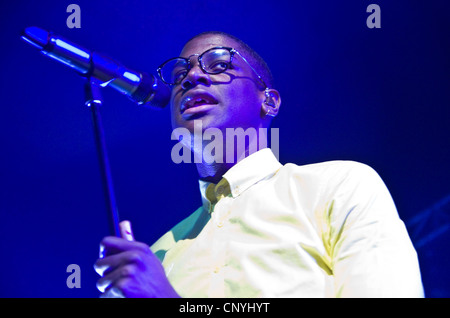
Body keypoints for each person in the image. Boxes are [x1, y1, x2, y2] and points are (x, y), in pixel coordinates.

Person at [94, 31, 424, 298]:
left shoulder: (339, 186)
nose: (191, 76)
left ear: (269, 101)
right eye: (180, 73)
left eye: (219, 64)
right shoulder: (157, 257)